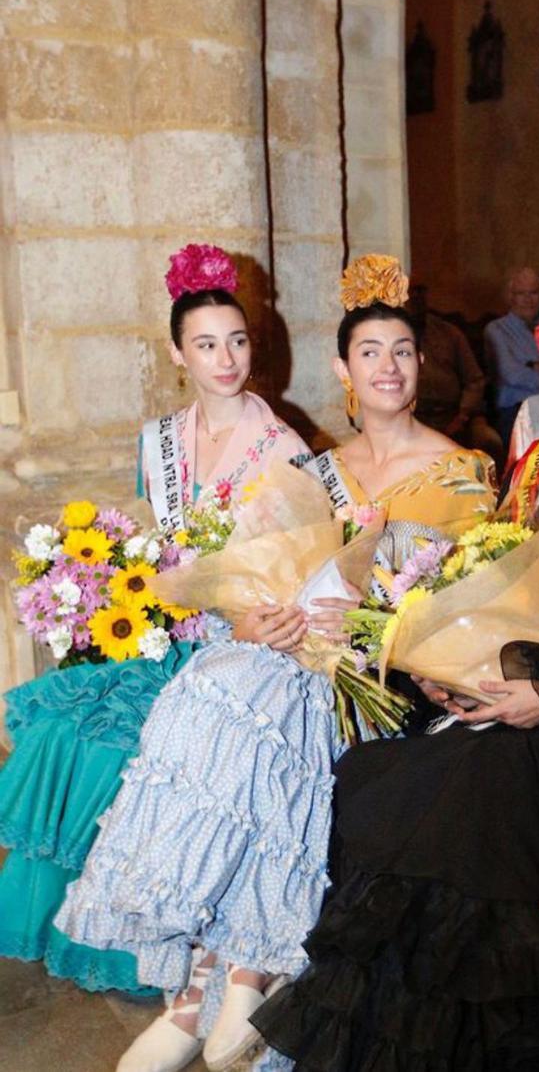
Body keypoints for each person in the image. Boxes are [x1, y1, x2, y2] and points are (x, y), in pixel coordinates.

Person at [250, 265, 539, 1071]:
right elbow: (485, 584)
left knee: (478, 789)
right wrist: (444, 663)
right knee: (380, 774)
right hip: (508, 681)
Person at [55, 256, 496, 1072]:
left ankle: (239, 976)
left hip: (392, 668)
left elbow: (470, 605)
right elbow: (272, 567)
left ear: (421, 361)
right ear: (344, 369)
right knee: (218, 689)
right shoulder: (319, 469)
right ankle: (212, 983)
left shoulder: (463, 472)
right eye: (369, 353)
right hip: (295, 649)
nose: (388, 368)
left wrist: (367, 625)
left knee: (259, 698)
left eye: (401, 351)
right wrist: (262, 617)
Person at [0, 244, 311, 996]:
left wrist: (240, 617)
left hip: (240, 647)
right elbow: (154, 550)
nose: (226, 358)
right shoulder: (156, 442)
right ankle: (64, 923)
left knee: (129, 751)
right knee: (61, 729)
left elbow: (295, 575)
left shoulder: (286, 447)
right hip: (163, 635)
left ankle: (150, 946)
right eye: (206, 344)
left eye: (237, 341)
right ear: (179, 353)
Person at [410, 283, 501, 462]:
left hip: (454, 417)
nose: (414, 298)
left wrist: (462, 416)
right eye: (410, 292)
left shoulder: (449, 333)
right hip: (413, 419)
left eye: (420, 291)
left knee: (490, 440)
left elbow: (474, 380)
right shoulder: (392, 336)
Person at [484, 267, 539, 449]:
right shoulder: (497, 329)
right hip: (517, 411)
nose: (528, 300)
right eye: (521, 293)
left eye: (534, 293)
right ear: (510, 297)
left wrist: (531, 365)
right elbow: (512, 375)